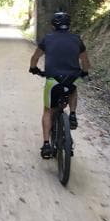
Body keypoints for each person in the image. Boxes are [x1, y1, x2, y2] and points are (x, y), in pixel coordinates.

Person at [29, 12, 90, 159]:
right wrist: (84, 72)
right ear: (68, 25)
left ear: (53, 25)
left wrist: (34, 68)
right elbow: (85, 60)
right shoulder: (77, 39)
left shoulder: (47, 39)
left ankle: (46, 145)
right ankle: (73, 114)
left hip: (53, 80)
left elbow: (35, 57)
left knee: (48, 111)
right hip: (70, 79)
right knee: (73, 88)